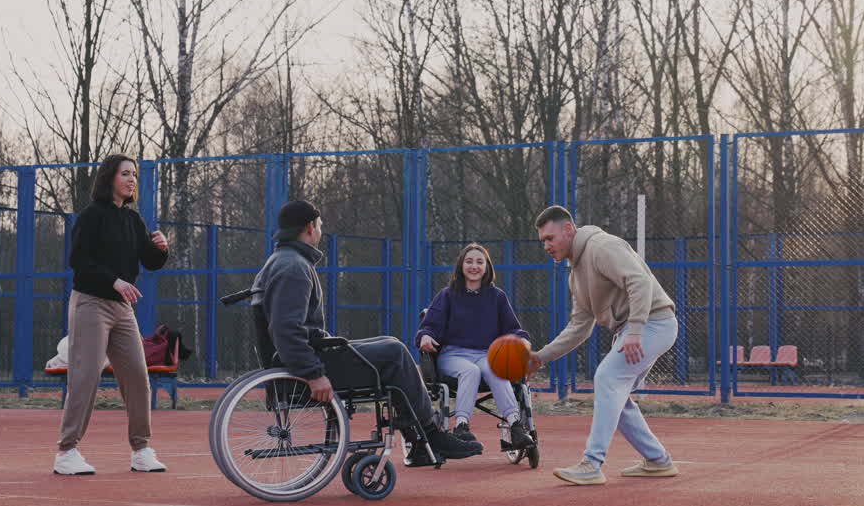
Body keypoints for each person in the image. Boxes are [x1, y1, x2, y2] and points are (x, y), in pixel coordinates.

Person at [253, 200, 483, 464]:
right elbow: (286, 329)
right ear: (309, 227)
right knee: (394, 353)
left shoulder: (283, 261)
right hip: (304, 369)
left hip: (303, 359)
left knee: (389, 343)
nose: (321, 231)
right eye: (320, 226)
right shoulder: (293, 267)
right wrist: (313, 374)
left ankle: (419, 439)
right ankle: (430, 434)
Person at [527, 205, 680, 485]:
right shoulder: (575, 274)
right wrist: (541, 357)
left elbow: (639, 282)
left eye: (550, 238)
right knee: (616, 395)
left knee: (607, 378)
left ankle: (592, 463)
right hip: (636, 329)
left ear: (569, 230)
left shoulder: (602, 246)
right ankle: (658, 460)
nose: (546, 246)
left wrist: (635, 329)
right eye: (542, 241)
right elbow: (579, 326)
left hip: (654, 323)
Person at [53, 154, 170, 476]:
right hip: (91, 303)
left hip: (122, 309)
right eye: (125, 174)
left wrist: (162, 248)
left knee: (137, 377)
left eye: (134, 175)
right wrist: (114, 280)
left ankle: (141, 450)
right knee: (85, 377)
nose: (132, 180)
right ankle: (66, 452)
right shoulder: (92, 216)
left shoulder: (133, 220)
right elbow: (79, 260)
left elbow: (151, 262)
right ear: (110, 178)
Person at [415, 243, 534, 448]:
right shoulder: (447, 295)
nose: (474, 266)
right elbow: (429, 326)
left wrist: (522, 340)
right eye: (469, 261)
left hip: (487, 355)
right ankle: (461, 426)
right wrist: (425, 336)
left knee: (496, 369)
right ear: (461, 266)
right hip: (453, 356)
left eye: (479, 262)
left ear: (487, 267)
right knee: (470, 371)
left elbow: (512, 329)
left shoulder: (497, 297)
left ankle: (515, 426)